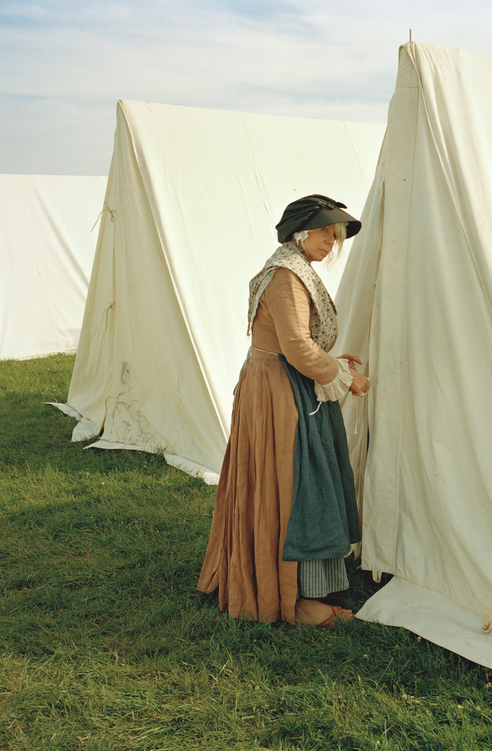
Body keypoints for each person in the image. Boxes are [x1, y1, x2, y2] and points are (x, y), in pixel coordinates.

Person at [197, 194, 370, 627]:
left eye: (336, 234)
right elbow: (296, 348)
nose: (332, 240)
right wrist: (349, 379)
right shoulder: (287, 277)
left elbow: (296, 342)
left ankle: (305, 586)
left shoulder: (292, 270)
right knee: (298, 487)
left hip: (283, 381)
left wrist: (333, 363)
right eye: (325, 231)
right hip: (280, 389)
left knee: (302, 481)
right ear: (300, 231)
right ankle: (298, 598)